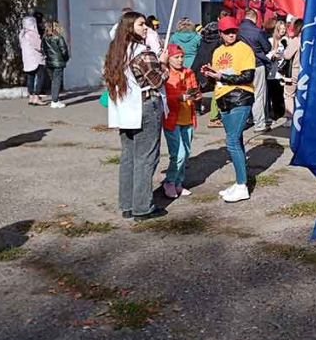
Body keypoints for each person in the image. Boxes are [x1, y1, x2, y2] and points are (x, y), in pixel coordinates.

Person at [105, 11, 169, 221]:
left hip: (125, 109)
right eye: (142, 24)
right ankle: (142, 207)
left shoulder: (116, 52)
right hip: (145, 106)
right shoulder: (142, 52)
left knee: (129, 157)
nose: (146, 28)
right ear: (130, 27)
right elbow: (157, 80)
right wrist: (164, 64)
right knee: (146, 157)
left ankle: (127, 203)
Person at [201, 16, 256, 202]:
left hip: (241, 97)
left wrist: (222, 76)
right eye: (227, 32)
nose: (231, 34)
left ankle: (242, 186)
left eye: (233, 31)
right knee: (236, 140)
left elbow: (248, 76)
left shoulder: (245, 49)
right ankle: (240, 181)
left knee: (231, 141)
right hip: (223, 98)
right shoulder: (217, 52)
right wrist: (209, 74)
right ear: (220, 33)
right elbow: (217, 77)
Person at [162, 44, 200, 199]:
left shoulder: (188, 72)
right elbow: (164, 98)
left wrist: (196, 95)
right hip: (172, 120)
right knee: (178, 154)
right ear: (168, 58)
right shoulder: (165, 75)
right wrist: (179, 97)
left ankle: (178, 182)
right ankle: (169, 182)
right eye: (176, 57)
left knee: (186, 153)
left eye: (181, 56)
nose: (180, 60)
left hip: (188, 118)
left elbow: (195, 90)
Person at [192, 9, 230, 127]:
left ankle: (197, 109)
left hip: (198, 64)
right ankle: (214, 117)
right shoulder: (219, 42)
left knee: (196, 88)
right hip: (212, 67)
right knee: (217, 90)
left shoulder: (203, 39)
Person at [239, 9, 272, 133]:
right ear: (255, 18)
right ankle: (259, 125)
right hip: (257, 64)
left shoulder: (237, 30)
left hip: (241, 66)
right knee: (258, 95)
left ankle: (244, 121)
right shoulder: (257, 31)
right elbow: (267, 47)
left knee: (243, 94)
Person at [41, 21, 70, 109]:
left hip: (49, 62)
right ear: (56, 28)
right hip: (58, 62)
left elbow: (42, 50)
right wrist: (65, 59)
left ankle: (55, 99)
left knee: (53, 81)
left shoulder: (44, 38)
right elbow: (64, 51)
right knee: (56, 81)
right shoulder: (59, 37)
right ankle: (55, 101)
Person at [19, 15, 47, 106]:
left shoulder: (22, 33)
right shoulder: (32, 34)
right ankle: (36, 97)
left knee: (30, 78)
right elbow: (38, 46)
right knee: (40, 77)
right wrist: (44, 52)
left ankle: (31, 97)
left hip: (27, 60)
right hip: (36, 59)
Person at [281, 19, 303, 127]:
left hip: (294, 71)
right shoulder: (308, 40)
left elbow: (287, 55)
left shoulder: (296, 41)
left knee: (289, 95)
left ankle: (289, 118)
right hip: (304, 71)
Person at [266, 19, 287, 122]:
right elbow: (266, 54)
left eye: (284, 29)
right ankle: (272, 113)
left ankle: (280, 113)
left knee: (280, 94)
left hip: (281, 71)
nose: (282, 31)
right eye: (281, 29)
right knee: (272, 94)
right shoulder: (270, 40)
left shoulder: (286, 41)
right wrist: (272, 54)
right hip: (271, 71)